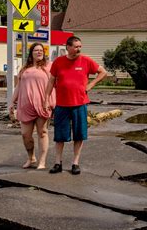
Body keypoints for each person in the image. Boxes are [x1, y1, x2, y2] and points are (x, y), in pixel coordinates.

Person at [43, 36, 107, 175]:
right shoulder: (58, 62)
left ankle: (75, 163)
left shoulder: (86, 60)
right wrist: (46, 98)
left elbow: (103, 72)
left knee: (79, 134)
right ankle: (57, 163)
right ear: (68, 47)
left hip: (79, 104)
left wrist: (91, 84)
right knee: (60, 135)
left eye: (80, 46)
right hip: (62, 104)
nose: (79, 49)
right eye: (76, 46)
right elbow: (51, 81)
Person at [9, 42, 55, 170]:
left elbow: (55, 83)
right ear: (31, 53)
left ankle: (42, 161)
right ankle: (31, 158)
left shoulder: (49, 66)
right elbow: (19, 86)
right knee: (25, 134)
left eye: (41, 50)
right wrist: (12, 102)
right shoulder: (25, 68)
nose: (39, 52)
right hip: (25, 105)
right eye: (36, 50)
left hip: (42, 105)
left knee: (42, 132)